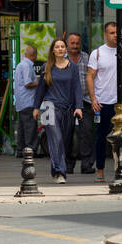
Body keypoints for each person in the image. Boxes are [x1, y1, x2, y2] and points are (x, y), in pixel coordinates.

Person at [86, 21, 122, 183]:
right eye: (111, 33)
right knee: (101, 138)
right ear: (105, 34)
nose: (115, 35)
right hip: (103, 102)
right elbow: (90, 76)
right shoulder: (97, 53)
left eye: (117, 32)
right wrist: (93, 98)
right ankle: (100, 171)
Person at [33, 37, 84, 184]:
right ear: (53, 50)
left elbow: (77, 89)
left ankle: (55, 169)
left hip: (67, 108)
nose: (60, 49)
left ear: (65, 49)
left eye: (62, 46)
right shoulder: (46, 67)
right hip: (50, 107)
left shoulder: (73, 67)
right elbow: (40, 90)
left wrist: (79, 107)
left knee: (65, 141)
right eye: (57, 47)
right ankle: (60, 172)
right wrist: (36, 107)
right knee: (56, 139)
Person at [66, 32, 93, 174]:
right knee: (67, 134)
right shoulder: (61, 59)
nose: (75, 46)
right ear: (67, 44)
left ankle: (87, 165)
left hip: (85, 101)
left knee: (87, 133)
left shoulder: (86, 57)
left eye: (77, 43)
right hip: (67, 102)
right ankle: (67, 165)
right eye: (72, 43)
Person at [14, 45, 40, 153]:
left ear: (25, 54)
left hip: (21, 102)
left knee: (22, 127)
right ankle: (31, 149)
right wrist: (38, 82)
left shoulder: (21, 64)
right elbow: (28, 83)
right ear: (34, 56)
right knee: (30, 127)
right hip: (28, 101)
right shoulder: (27, 66)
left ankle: (20, 150)